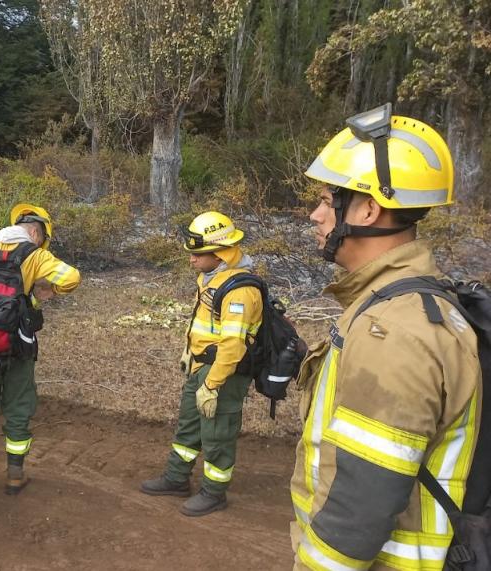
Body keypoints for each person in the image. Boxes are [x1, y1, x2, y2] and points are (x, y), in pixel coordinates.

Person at [291, 104, 480, 569]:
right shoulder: (404, 304)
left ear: (369, 208)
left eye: (326, 200)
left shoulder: (393, 331)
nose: (316, 216)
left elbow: (361, 506)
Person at [0, 204, 81, 497]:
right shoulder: (37, 255)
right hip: (19, 345)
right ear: (36, 231)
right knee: (18, 405)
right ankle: (15, 475)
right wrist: (47, 288)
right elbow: (72, 277)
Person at [139, 211, 262, 516]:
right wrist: (188, 351)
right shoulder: (212, 278)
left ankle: (214, 492)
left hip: (222, 373)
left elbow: (233, 346)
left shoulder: (240, 290)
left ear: (219, 253)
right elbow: (202, 322)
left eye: (197, 254)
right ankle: (177, 478)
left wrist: (212, 384)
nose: (191, 260)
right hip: (200, 365)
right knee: (189, 425)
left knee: (218, 433)